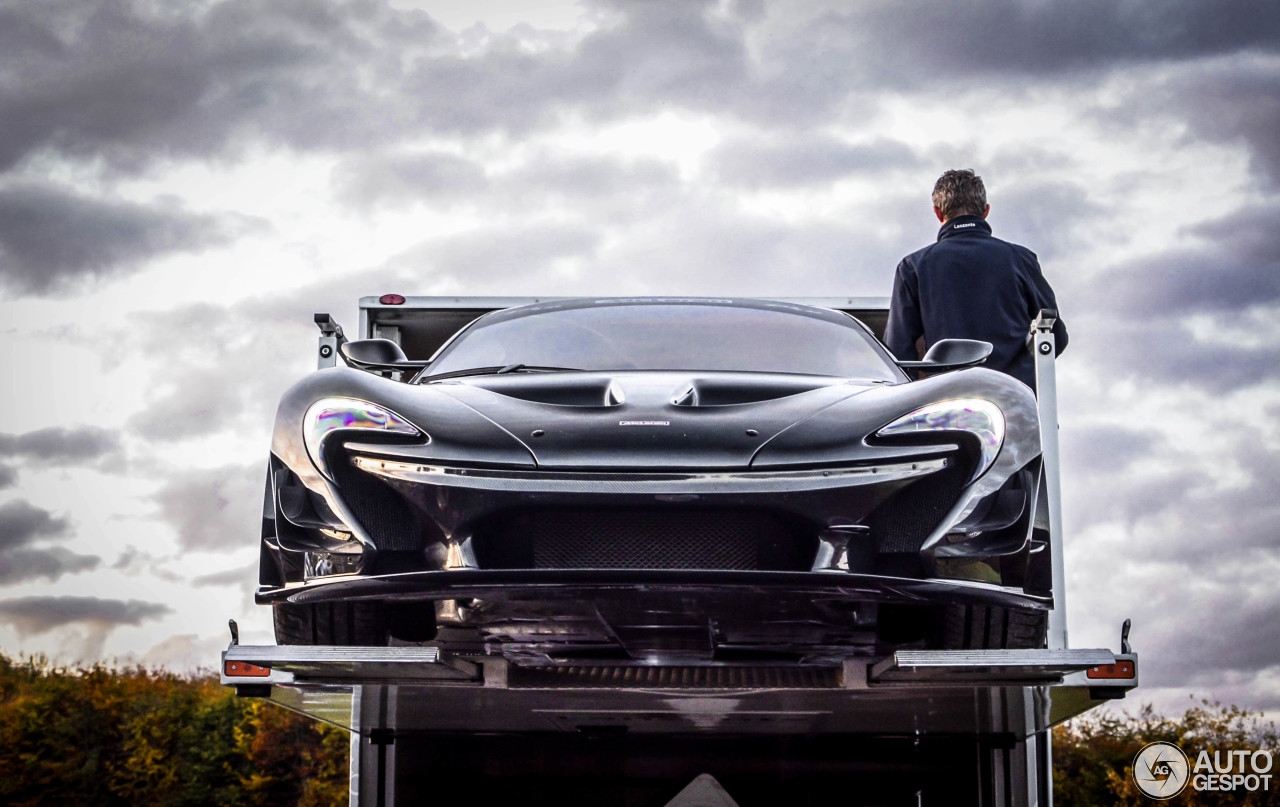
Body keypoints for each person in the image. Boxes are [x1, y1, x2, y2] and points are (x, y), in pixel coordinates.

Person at [884, 169, 1067, 390]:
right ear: (986, 211)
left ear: (938, 213)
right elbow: (1056, 336)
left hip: (946, 402)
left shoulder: (913, 267)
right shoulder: (1020, 259)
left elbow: (898, 349)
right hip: (1013, 401)